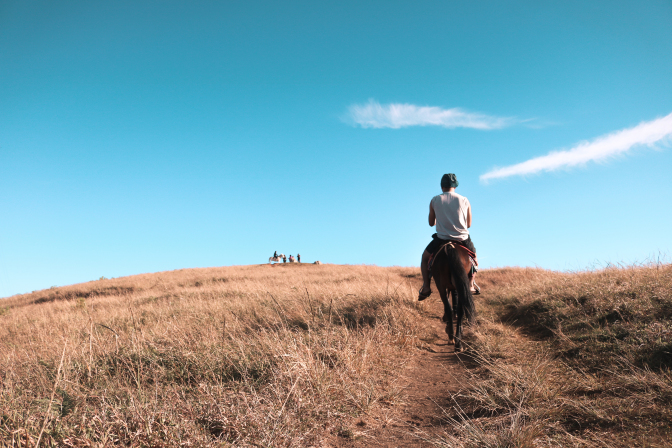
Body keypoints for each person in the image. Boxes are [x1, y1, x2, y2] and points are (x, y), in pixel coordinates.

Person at [418, 173, 479, 300]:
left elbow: (431, 223)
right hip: (462, 238)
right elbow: (469, 224)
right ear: (455, 186)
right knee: (474, 258)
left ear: (442, 186)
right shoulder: (464, 200)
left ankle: (426, 286)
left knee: (424, 258)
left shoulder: (435, 200)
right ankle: (471, 284)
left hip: (442, 239)